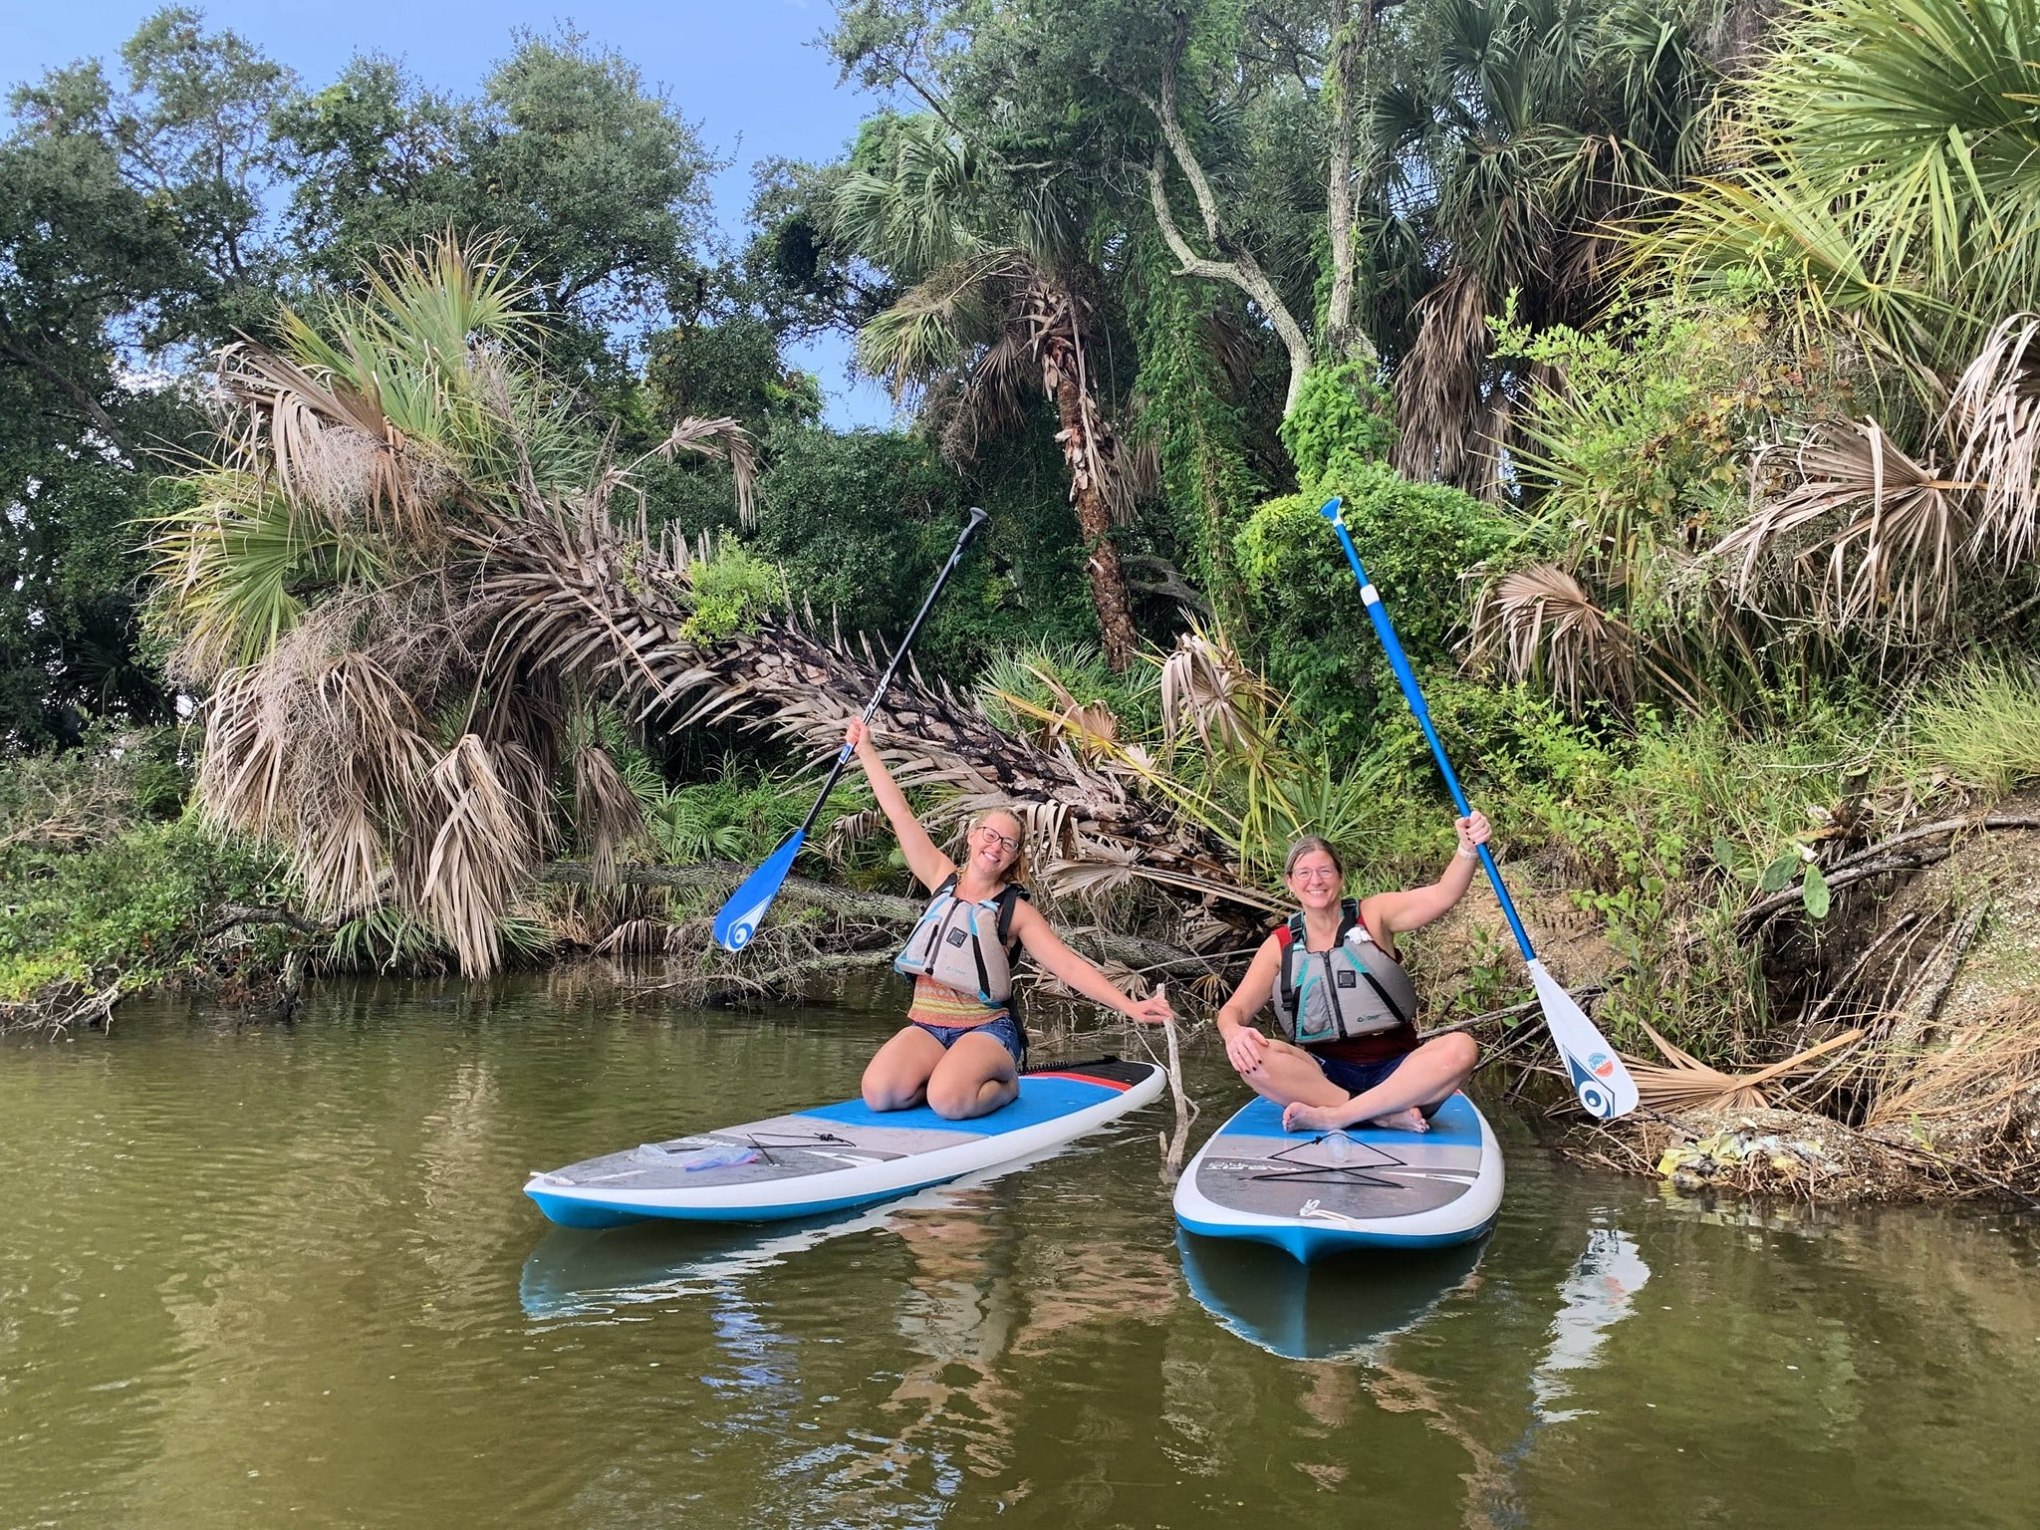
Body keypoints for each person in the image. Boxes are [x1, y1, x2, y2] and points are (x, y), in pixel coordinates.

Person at [846, 717, 1174, 1119]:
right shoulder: (938, 876)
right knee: (880, 1094)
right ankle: (944, 1074)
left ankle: (1005, 1084)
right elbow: (899, 814)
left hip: (985, 1030)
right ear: (972, 836)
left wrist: (1130, 1006)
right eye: (989, 835)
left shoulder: (1015, 911)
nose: (995, 846)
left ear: (1013, 857)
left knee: (949, 1102)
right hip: (927, 1025)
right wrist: (866, 750)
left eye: (1008, 843)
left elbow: (1068, 965)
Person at [1214, 815, 1491, 1134]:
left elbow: (1442, 894)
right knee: (1253, 1059)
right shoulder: (1280, 944)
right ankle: (1380, 1115)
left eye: (1324, 871)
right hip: (1323, 1077)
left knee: (1461, 1047)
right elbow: (1234, 1011)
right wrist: (1233, 1033)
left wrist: (1467, 849)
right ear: (1290, 883)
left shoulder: (1375, 914)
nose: (1315, 880)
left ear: (1340, 877)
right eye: (1304, 873)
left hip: (1400, 1073)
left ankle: (1339, 1115)